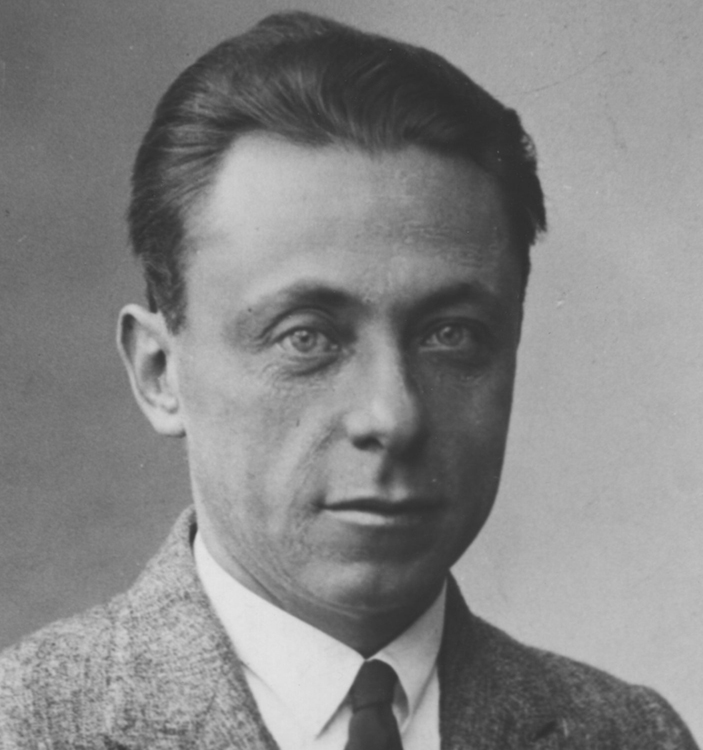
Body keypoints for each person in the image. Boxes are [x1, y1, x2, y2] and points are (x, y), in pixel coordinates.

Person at [0, 11, 697, 749]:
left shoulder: (632, 736)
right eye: (305, 337)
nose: (392, 416)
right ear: (158, 371)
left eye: (451, 335)